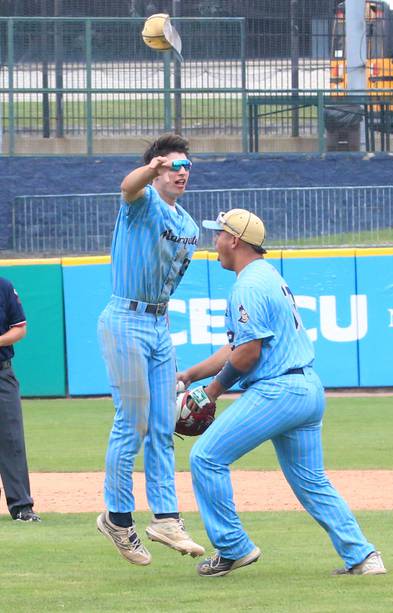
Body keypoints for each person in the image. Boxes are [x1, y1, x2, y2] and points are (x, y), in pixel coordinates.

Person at [178, 208, 386, 578]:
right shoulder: (267, 276)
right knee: (312, 481)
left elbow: (248, 353)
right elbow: (241, 346)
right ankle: (363, 556)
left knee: (206, 457)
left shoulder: (247, 285)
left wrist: (210, 392)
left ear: (235, 240)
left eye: (219, 234)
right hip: (306, 389)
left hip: (278, 392)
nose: (216, 242)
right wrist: (193, 374)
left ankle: (232, 547)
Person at [96, 133, 204, 566]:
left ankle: (166, 518)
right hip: (124, 317)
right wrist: (151, 167)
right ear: (157, 170)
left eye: (185, 166)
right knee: (133, 422)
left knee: (164, 423)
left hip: (159, 323)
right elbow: (127, 186)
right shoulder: (141, 203)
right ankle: (118, 519)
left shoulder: (190, 226)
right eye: (172, 166)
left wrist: (163, 164)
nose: (180, 172)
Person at [0, 277, 41, 523]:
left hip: (1, 372)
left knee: (11, 439)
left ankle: (22, 507)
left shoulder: (3, 287)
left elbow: (20, 328)